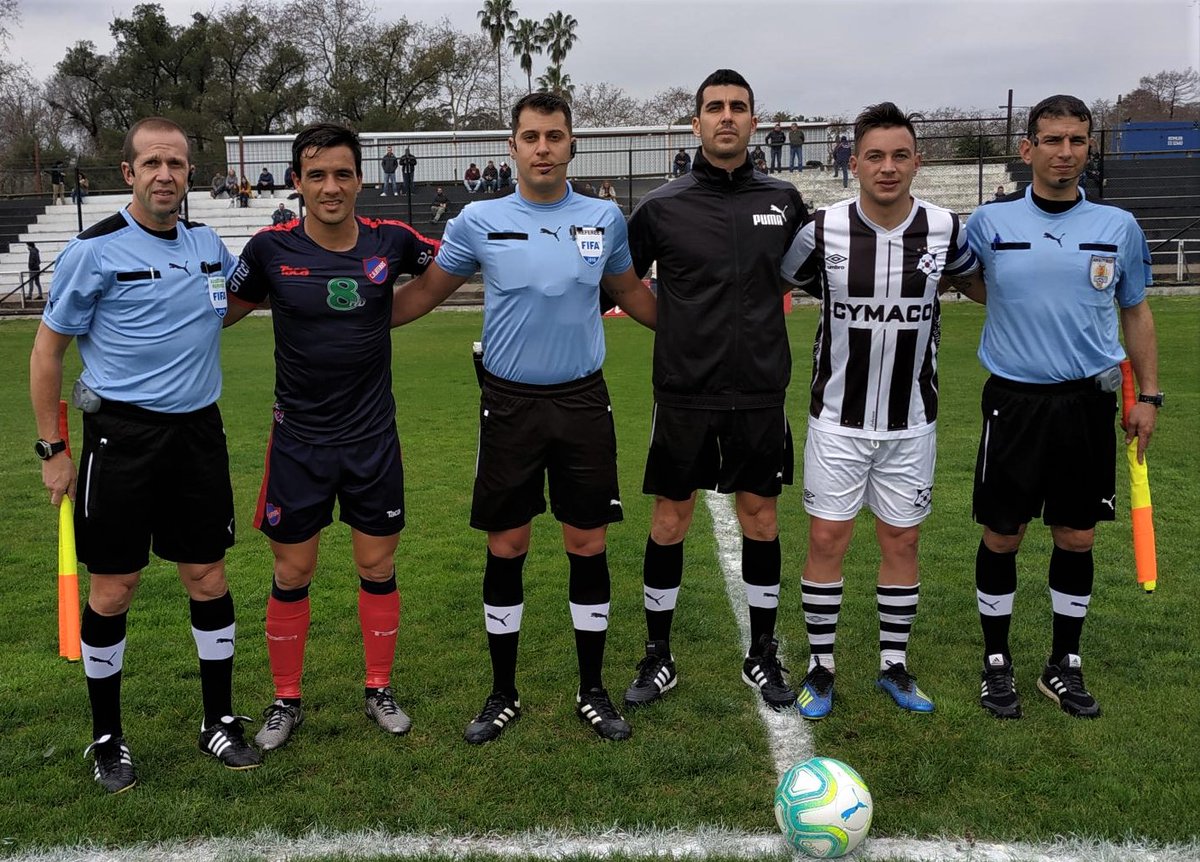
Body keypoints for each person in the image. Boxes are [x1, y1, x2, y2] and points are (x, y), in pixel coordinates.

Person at [391, 92, 657, 745]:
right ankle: (502, 692)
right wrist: (344, 325)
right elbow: (424, 294)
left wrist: (706, 336)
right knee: (506, 544)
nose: (543, 148)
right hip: (508, 406)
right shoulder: (479, 220)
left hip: (583, 403)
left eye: (555, 136)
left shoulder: (603, 218)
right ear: (511, 147)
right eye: (531, 136)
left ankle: (592, 691)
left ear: (571, 146)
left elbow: (631, 296)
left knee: (586, 544)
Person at [28, 116, 260, 794]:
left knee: (208, 580)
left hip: (197, 437)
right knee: (113, 588)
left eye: (178, 164)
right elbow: (47, 351)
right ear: (128, 173)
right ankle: (107, 739)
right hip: (119, 441)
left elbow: (212, 311)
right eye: (153, 163)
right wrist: (53, 449)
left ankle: (218, 720)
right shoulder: (92, 251)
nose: (166, 175)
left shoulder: (209, 244)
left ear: (191, 175)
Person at [223, 123, 440, 752]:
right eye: (316, 175)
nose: (330, 186)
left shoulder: (391, 240)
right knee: (293, 570)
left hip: (373, 438)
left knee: (378, 563)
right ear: (296, 183)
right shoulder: (267, 249)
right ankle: (286, 699)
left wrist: (389, 313)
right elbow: (218, 311)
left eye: (342, 173)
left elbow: (449, 267)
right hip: (299, 443)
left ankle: (378, 688)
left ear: (360, 180)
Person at [780, 102, 983, 721]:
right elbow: (782, 285)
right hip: (836, 419)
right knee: (826, 537)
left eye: (900, 155)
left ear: (917, 161)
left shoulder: (947, 230)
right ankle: (822, 666)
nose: (888, 167)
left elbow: (985, 289)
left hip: (911, 420)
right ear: (855, 163)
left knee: (902, 540)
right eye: (875, 155)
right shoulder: (821, 230)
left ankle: (894, 664)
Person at [963, 94, 1160, 721]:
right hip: (1013, 401)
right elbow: (969, 282)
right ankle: (997, 663)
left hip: (1087, 403)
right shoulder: (988, 224)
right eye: (1053, 140)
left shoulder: (1116, 227)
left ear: (1088, 148)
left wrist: (1148, 395)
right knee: (1003, 533)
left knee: (1076, 536)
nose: (1066, 152)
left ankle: (1063, 663)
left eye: (1078, 140)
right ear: (1028, 149)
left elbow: (1136, 310)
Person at [622, 69, 807, 713]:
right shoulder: (660, 207)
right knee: (669, 519)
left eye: (738, 107)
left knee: (761, 517)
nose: (726, 117)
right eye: (714, 108)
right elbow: (621, 285)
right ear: (695, 122)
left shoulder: (785, 201)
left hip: (759, 392)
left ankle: (762, 651)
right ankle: (657, 654)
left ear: (755, 121)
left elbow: (806, 277)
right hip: (682, 394)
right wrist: (675, 330)